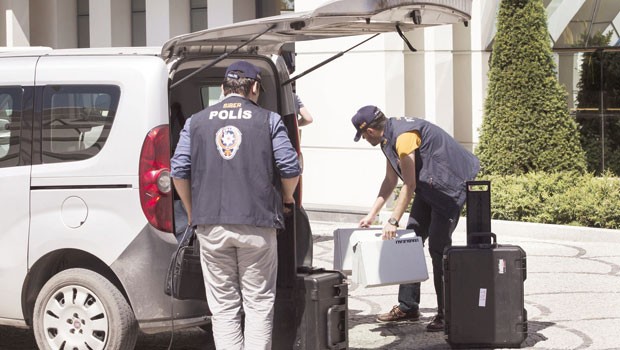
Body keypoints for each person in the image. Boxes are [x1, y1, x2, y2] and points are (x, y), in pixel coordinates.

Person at [171, 60, 301, 349]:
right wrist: (287, 197)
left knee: (224, 307)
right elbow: (290, 168)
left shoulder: (195, 121)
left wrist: (193, 213)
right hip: (258, 224)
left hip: (210, 226)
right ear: (254, 87)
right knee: (257, 304)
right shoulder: (269, 120)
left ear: (222, 88)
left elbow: (178, 171)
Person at [351, 105, 479, 332]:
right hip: (428, 187)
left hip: (448, 189)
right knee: (410, 241)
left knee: (439, 250)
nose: (363, 139)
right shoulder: (387, 140)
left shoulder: (404, 138)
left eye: (361, 135)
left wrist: (393, 220)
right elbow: (390, 181)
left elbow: (408, 184)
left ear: (369, 131)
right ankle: (408, 306)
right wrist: (372, 215)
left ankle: (447, 313)